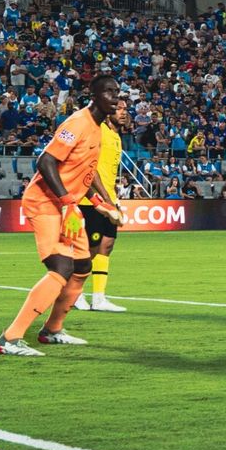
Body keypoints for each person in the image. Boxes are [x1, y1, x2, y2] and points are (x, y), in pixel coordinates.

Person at [0, 74, 123, 356]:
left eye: (118, 92)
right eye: (109, 92)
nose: (116, 97)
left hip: (68, 206)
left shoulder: (100, 130)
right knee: (61, 267)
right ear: (95, 95)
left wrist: (101, 204)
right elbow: (46, 161)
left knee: (81, 267)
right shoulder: (78, 123)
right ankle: (10, 338)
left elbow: (84, 175)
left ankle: (52, 330)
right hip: (45, 202)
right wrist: (67, 201)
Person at [72, 95, 130, 313]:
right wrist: (105, 198)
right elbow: (91, 168)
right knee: (91, 248)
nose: (123, 112)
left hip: (109, 198)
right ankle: (75, 294)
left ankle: (98, 298)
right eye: (119, 109)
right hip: (91, 200)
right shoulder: (100, 132)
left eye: (125, 109)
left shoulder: (116, 136)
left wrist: (114, 199)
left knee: (107, 245)